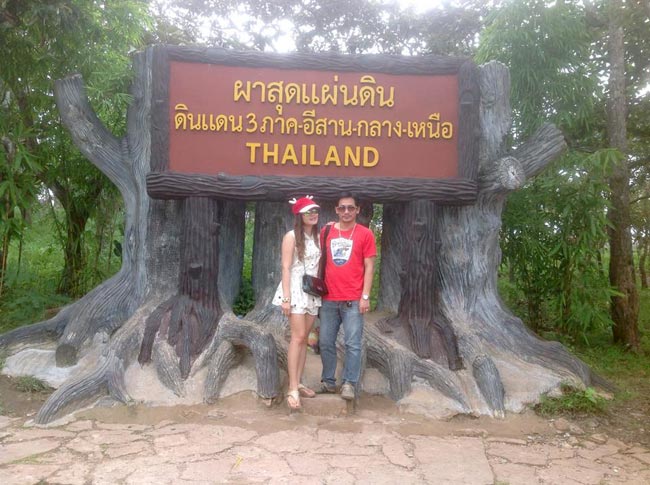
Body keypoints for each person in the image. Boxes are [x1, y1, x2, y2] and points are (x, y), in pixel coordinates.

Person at [318, 193, 377, 400]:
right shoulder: (326, 231)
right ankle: (328, 381)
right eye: (342, 208)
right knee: (325, 342)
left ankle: (349, 383)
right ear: (336, 210)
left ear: (357, 210)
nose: (346, 212)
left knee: (353, 344)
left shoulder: (365, 234)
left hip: (353, 298)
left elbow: (370, 266)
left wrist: (365, 296)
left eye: (350, 208)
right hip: (329, 298)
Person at [272, 196, 322, 410]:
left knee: (305, 339)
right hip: (294, 290)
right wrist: (286, 297)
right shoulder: (291, 236)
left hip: (311, 291)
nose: (313, 214)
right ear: (300, 215)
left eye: (315, 210)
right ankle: (292, 387)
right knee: (298, 337)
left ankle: (298, 381)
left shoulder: (318, 237)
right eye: (308, 211)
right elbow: (285, 267)